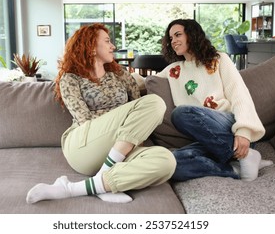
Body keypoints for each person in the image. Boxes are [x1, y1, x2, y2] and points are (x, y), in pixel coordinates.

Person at [26, 23, 176, 204]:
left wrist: (131, 137)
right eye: (107, 41)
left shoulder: (120, 74)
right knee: (154, 102)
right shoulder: (71, 78)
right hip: (85, 145)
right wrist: (123, 121)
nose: (113, 46)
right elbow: (85, 120)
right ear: (90, 47)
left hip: (120, 148)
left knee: (167, 161)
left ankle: (85, 186)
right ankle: (105, 173)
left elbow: (140, 112)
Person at [156, 19, 272, 182]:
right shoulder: (173, 70)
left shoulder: (218, 59)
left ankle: (244, 155)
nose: (173, 41)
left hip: (230, 129)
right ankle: (237, 167)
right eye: (170, 38)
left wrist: (244, 132)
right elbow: (141, 80)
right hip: (209, 140)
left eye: (177, 35)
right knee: (169, 164)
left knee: (181, 114)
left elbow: (240, 94)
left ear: (192, 34)